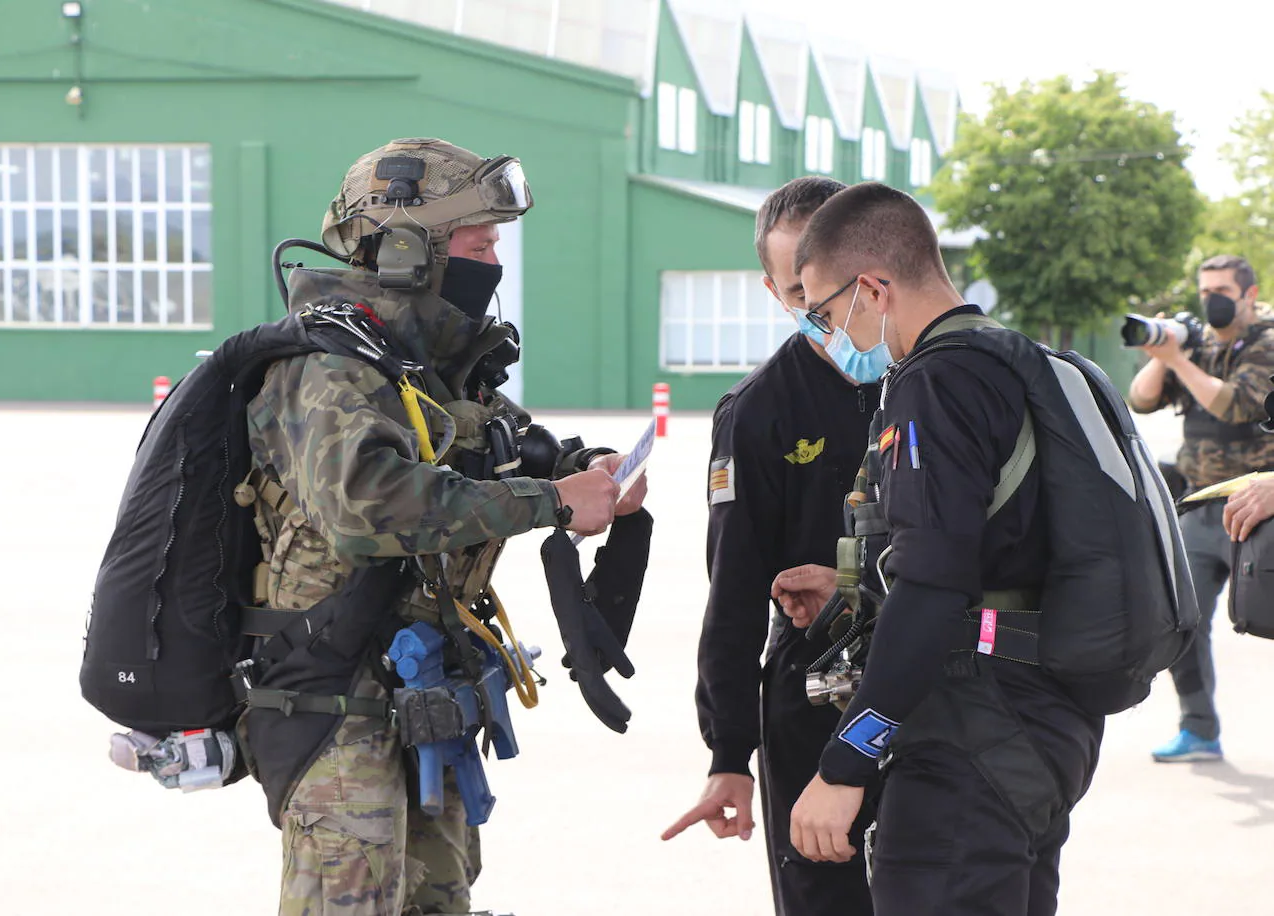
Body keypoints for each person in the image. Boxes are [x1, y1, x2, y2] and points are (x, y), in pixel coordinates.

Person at [240, 138, 646, 916]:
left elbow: (511, 443)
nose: (493, 261)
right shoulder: (325, 366)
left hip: (423, 686)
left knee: (441, 901)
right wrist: (553, 502)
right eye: (479, 242)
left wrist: (589, 467)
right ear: (404, 248)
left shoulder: (423, 359)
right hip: (334, 701)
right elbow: (368, 504)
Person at [773, 182, 1104, 915]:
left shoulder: (934, 384)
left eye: (826, 311)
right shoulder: (1018, 362)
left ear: (872, 287)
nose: (831, 332)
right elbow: (1003, 550)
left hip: (973, 735)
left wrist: (846, 760)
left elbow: (934, 584)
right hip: (1047, 719)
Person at [661, 177, 877, 915]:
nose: (825, 312)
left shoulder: (947, 381)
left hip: (950, 688)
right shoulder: (759, 414)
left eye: (838, 287)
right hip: (814, 699)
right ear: (773, 290)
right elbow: (734, 591)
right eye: (799, 294)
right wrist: (729, 754)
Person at [1129, 255, 1274, 763]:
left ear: (1249, 293)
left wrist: (1181, 361)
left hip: (1263, 510)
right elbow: (1141, 400)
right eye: (1205, 288)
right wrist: (1163, 353)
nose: (1212, 298)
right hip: (1202, 503)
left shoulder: (1268, 343)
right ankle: (1199, 728)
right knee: (1179, 620)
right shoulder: (1199, 345)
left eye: (1222, 290)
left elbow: (1236, 405)